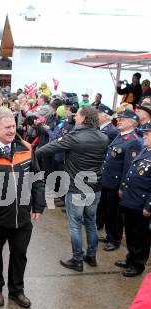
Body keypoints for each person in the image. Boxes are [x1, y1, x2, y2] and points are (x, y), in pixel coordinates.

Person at [0, 110, 45, 308]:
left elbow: (37, 179)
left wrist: (38, 204)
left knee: (19, 254)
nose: (13, 130)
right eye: (8, 127)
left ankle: (16, 291)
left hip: (21, 216)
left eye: (14, 126)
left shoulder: (27, 148)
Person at [36, 106, 108, 272]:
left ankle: (77, 259)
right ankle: (91, 255)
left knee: (75, 225)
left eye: (78, 115)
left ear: (83, 118)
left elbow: (47, 149)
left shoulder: (75, 137)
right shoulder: (103, 137)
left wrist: (33, 154)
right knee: (91, 221)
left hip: (76, 187)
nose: (75, 117)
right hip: (95, 187)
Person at [99, 110, 142, 252]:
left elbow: (128, 167)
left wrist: (122, 186)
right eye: (120, 118)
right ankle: (109, 234)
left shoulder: (133, 140)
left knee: (114, 213)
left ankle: (115, 238)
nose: (119, 120)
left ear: (132, 122)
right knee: (107, 210)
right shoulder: (120, 136)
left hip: (116, 183)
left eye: (123, 119)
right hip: (108, 180)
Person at [116, 121, 151, 277]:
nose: (144, 136)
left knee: (141, 236)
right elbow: (131, 171)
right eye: (144, 134)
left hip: (142, 202)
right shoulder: (145, 150)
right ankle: (131, 258)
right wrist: (123, 187)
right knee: (130, 232)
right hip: (131, 199)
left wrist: (149, 206)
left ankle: (138, 264)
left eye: (147, 134)